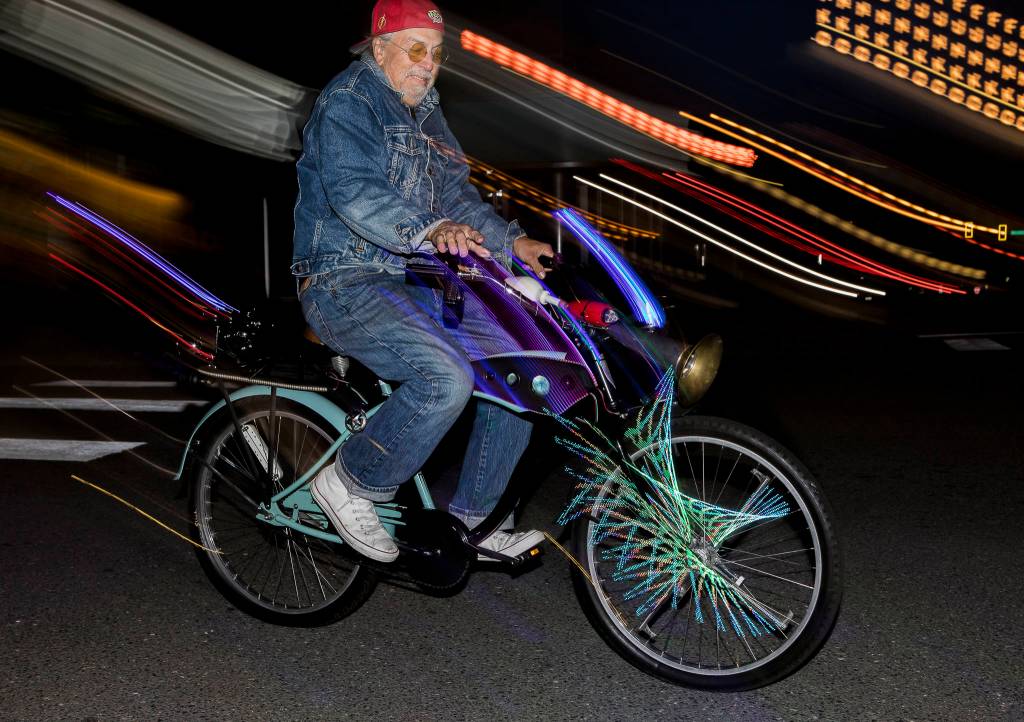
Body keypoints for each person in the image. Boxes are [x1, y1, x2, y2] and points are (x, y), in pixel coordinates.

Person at [291, 0, 554, 563]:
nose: (427, 64)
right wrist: (432, 230)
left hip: (404, 280)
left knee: (519, 368)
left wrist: (513, 242)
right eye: (415, 50)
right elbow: (355, 192)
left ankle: (476, 522)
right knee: (446, 379)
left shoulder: (424, 110)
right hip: (342, 281)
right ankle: (352, 481)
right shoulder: (348, 101)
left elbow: (457, 197)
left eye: (436, 54)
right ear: (379, 47)